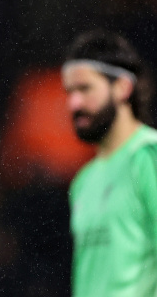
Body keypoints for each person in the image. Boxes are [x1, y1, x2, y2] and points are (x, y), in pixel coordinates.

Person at [61, 29, 157, 297]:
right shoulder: (83, 181)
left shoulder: (148, 155)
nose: (73, 103)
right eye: (69, 91)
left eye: (84, 88)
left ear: (123, 87)